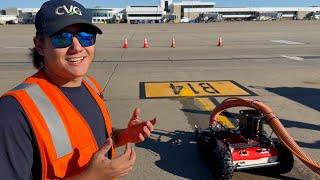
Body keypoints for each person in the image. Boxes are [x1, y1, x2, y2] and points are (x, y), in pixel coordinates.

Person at [0, 0, 158, 179]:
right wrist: (91, 177)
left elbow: (89, 142)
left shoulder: (91, 86)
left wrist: (124, 136)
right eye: (62, 38)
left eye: (85, 36)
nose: (77, 47)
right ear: (40, 46)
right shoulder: (13, 111)